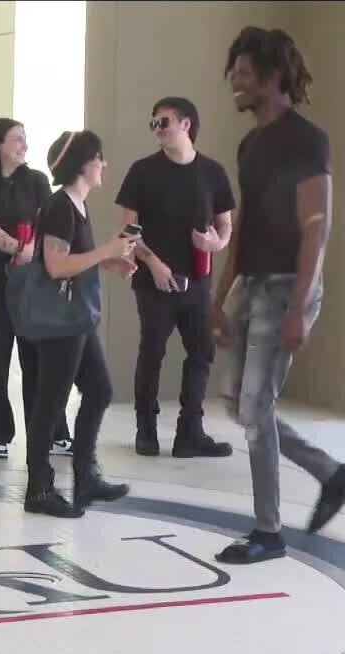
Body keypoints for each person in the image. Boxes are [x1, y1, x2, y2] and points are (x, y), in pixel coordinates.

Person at [212, 27, 345, 563]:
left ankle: (267, 532)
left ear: (273, 77)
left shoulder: (307, 140)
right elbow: (247, 223)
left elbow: (316, 226)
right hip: (251, 284)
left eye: (245, 74)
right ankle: (331, 473)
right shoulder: (250, 144)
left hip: (286, 288)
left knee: (255, 406)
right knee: (241, 404)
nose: (235, 82)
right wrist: (221, 294)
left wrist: (301, 304)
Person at [24, 130, 138, 518]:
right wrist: (106, 250)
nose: (104, 165)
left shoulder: (77, 205)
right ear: (85, 164)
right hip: (62, 321)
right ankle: (38, 488)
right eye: (100, 158)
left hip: (77, 317)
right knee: (50, 403)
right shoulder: (60, 207)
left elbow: (76, 258)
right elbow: (56, 266)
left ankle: (85, 475)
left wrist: (110, 261)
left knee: (100, 390)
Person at [116, 97, 236, 458]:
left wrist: (216, 242)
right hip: (153, 283)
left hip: (197, 281)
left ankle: (190, 432)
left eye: (164, 121)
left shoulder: (212, 172)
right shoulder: (142, 171)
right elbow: (128, 232)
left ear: (186, 124)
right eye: (153, 123)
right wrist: (154, 264)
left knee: (202, 351)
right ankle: (146, 431)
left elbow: (225, 225)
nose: (158, 128)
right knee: (152, 351)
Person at [0, 118, 74, 460]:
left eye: (25, 140)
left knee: (38, 358)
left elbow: (51, 222)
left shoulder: (36, 180)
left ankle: (52, 432)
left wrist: (31, 250)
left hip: (32, 280)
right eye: (17, 140)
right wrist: (16, 248)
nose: (24, 146)